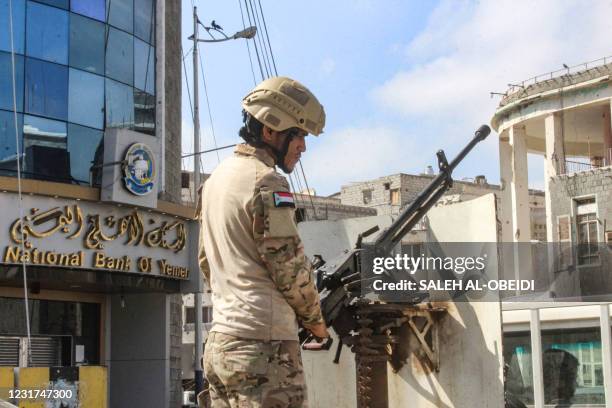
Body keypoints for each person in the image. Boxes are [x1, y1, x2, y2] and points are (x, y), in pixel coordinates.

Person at [198, 76, 330, 408]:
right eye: (297, 135)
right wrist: (316, 324)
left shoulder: (215, 181)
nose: (303, 146)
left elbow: (205, 262)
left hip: (220, 345)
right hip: (263, 351)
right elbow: (289, 268)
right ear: (270, 131)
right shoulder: (267, 182)